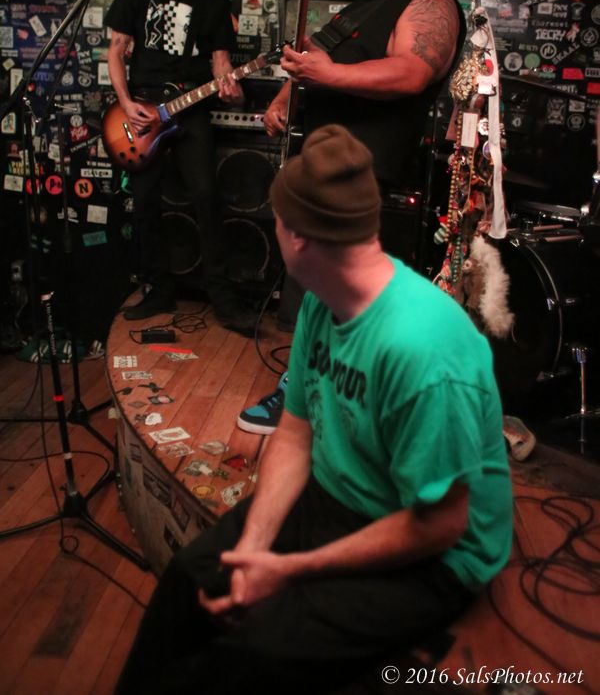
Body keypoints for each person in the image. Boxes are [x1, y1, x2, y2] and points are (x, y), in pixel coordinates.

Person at [116, 125, 513, 695]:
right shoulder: (323, 299)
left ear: (298, 237)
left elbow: (440, 524)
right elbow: (296, 429)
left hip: (437, 554)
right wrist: (254, 548)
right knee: (189, 582)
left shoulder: (425, 350)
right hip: (341, 498)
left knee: (252, 654)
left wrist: (289, 570)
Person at [239, 0, 464, 429]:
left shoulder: (429, 2)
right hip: (319, 175)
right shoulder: (352, 14)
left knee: (344, 302)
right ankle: (309, 396)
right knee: (315, 299)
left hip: (366, 175)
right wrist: (284, 97)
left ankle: (319, 408)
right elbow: (308, 63)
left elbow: (411, 72)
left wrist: (329, 75)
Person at [105, 0, 254, 331]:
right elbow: (115, 51)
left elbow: (221, 64)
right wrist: (125, 102)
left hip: (191, 108)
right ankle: (159, 290)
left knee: (207, 196)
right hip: (143, 110)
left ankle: (222, 299)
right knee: (145, 202)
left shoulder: (214, 0)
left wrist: (231, 87)